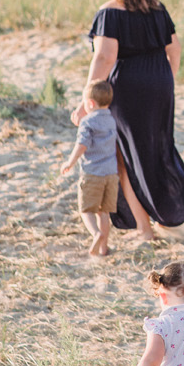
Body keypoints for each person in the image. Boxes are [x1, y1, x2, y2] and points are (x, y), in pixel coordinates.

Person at [73, 0, 184, 241]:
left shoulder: (110, 12)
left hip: (127, 87)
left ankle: (144, 227)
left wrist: (86, 100)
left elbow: (105, 58)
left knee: (122, 155)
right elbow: (175, 48)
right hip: (160, 81)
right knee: (157, 149)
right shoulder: (155, 7)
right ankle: (164, 219)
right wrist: (167, 79)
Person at [59, 78, 118, 256]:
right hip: (111, 174)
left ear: (90, 103)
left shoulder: (88, 122)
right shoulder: (112, 120)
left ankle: (96, 233)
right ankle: (103, 248)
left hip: (92, 173)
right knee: (104, 212)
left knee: (86, 210)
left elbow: (82, 144)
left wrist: (70, 162)